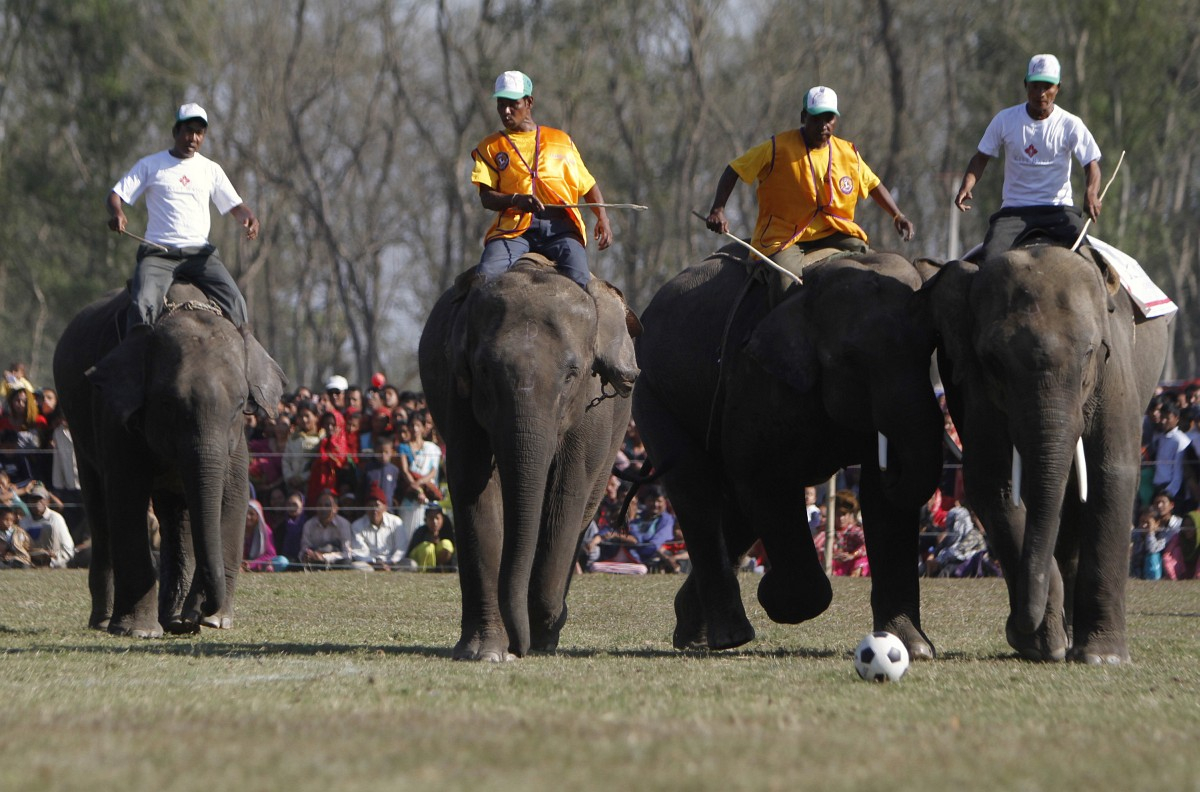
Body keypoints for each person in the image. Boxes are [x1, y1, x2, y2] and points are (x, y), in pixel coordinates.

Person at [705, 85, 914, 293]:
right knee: (785, 281)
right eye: (816, 118)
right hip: (785, 236)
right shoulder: (777, 148)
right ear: (803, 117)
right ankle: (778, 324)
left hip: (833, 230)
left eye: (829, 118)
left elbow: (874, 184)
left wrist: (897, 215)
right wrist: (718, 209)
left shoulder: (848, 153)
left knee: (866, 261)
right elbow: (734, 169)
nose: (823, 125)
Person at [106, 103, 259, 333]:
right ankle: (134, 359)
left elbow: (235, 207)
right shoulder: (150, 165)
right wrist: (117, 213)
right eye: (188, 130)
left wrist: (249, 218)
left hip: (200, 256)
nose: (193, 138)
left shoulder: (210, 170)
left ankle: (249, 362)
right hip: (159, 254)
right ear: (175, 132)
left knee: (237, 303)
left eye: (199, 132)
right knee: (143, 306)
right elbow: (116, 195)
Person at [470, 70, 612, 288]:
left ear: (529, 102)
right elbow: (486, 197)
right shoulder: (489, 147)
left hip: (560, 228)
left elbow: (588, 184)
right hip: (513, 229)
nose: (506, 111)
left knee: (582, 284)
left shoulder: (561, 141)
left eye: (513, 104)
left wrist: (602, 217)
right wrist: (516, 200)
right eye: (501, 104)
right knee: (484, 279)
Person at [954, 54, 1103, 262]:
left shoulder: (1070, 124)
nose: (1041, 93)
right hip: (1014, 211)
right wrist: (967, 184)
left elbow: (1091, 164)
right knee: (988, 260)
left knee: (1091, 261)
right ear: (1026, 85)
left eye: (1047, 86)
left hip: (1058, 210)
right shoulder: (1005, 120)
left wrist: (1091, 193)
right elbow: (980, 158)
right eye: (1035, 86)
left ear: (1057, 88)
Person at [349, 485, 411, 570]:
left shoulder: (396, 522)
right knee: (355, 566)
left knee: (411, 564)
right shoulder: (357, 525)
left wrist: (391, 563)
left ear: (385, 507)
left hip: (393, 564)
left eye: (377, 505)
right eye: (370, 506)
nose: (374, 509)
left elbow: (401, 548)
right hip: (370, 565)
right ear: (366, 508)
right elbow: (359, 551)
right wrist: (375, 564)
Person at [22, 484, 74, 568]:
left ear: (47, 501)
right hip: (30, 562)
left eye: (40, 499)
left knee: (47, 527)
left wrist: (53, 561)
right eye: (34, 499)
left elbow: (68, 549)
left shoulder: (55, 519)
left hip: (54, 562)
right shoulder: (24, 522)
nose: (37, 503)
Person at [298, 490, 352, 567]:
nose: (323, 508)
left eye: (327, 505)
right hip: (315, 561)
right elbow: (304, 549)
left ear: (335, 508)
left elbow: (347, 553)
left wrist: (324, 557)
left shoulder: (344, 524)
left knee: (346, 562)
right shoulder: (309, 525)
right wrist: (308, 555)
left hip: (335, 562)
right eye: (320, 505)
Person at [1152, 401, 1191, 501]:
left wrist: (1169, 494)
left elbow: (1179, 471)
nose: (1163, 421)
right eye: (1162, 417)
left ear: (1176, 419)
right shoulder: (1160, 437)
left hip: (1171, 489)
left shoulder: (1180, 440)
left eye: (1167, 418)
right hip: (1158, 486)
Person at [406, 502, 455, 570]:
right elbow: (412, 551)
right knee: (428, 548)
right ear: (426, 520)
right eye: (431, 518)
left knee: (446, 544)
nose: (435, 522)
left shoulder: (446, 531)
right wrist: (429, 541)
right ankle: (424, 572)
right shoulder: (420, 531)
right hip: (418, 562)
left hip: (439, 561)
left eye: (437, 518)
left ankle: (442, 569)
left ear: (442, 519)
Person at [242, 499, 280, 572]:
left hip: (260, 563)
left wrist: (251, 564)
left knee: (281, 561)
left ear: (258, 516)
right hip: (242, 564)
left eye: (251, 514)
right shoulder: (239, 530)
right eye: (245, 513)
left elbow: (271, 554)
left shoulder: (265, 531)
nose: (247, 517)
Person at [1163, 510, 1200, 580]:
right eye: (1185, 526)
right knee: (1177, 550)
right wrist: (1172, 576)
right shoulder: (1178, 537)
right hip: (1182, 573)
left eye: (1191, 526)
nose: (1188, 529)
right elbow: (1166, 555)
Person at [0, 503, 32, 568]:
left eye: (11, 520)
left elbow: (27, 547)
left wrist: (14, 556)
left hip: (18, 559)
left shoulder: (19, 532)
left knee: (23, 565)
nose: (9, 523)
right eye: (6, 520)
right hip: (3, 558)